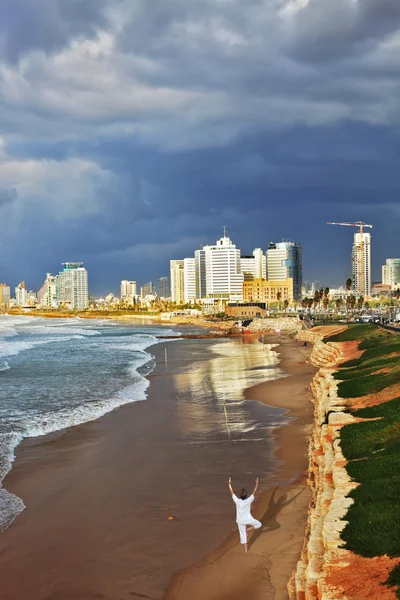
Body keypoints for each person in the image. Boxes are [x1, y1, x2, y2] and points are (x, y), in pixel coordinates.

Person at [228, 476, 261, 552]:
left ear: (240, 496)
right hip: (248, 519)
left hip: (240, 521)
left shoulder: (237, 501)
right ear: (246, 496)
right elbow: (254, 492)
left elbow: (231, 492)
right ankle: (248, 530)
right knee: (259, 524)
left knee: (243, 536)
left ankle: (246, 549)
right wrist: (257, 484)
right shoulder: (248, 500)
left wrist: (229, 483)